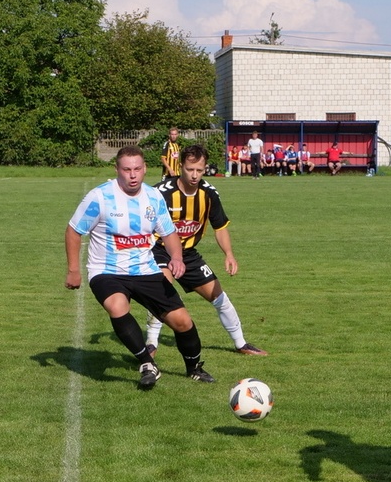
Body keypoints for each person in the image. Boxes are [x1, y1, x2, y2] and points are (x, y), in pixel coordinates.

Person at [65, 145, 215, 389]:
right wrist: (74, 270)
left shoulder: (153, 197)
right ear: (117, 170)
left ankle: (194, 368)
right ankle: (147, 363)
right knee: (117, 306)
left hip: (146, 269)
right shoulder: (99, 197)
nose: (132, 175)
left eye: (137, 169)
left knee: (182, 321)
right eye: (126, 170)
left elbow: (169, 233)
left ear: (145, 169)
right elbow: (74, 230)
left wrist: (177, 258)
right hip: (107, 270)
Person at [145, 144, 267, 358]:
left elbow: (220, 227)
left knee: (219, 296)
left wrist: (229, 254)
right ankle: (151, 344)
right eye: (190, 169)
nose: (194, 175)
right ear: (181, 167)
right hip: (159, 250)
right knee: (164, 290)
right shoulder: (161, 193)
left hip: (188, 253)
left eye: (199, 170)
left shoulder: (209, 194)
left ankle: (241, 344)